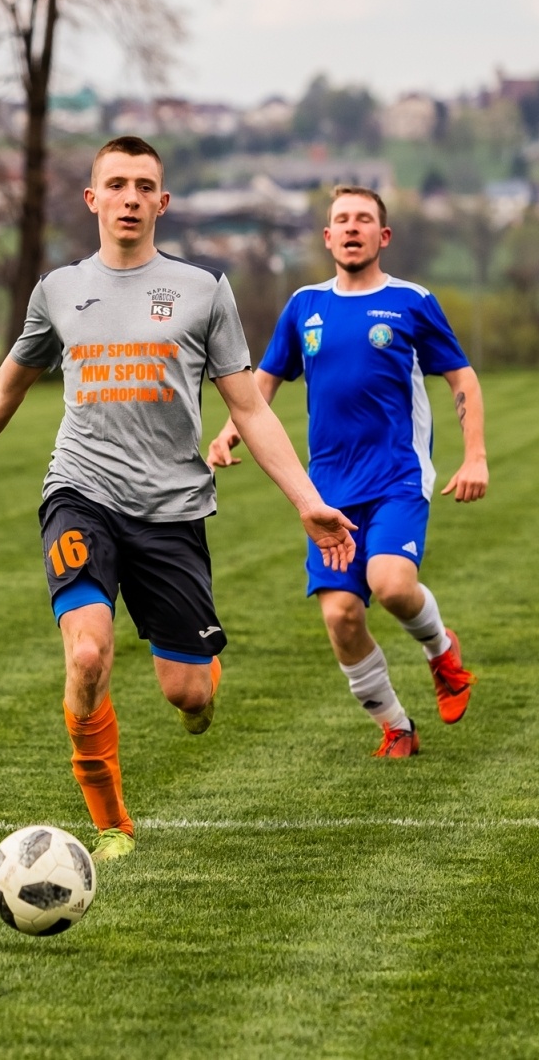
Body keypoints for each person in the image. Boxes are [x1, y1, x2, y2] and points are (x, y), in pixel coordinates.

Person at [0, 136, 356, 862]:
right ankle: (112, 824)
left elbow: (251, 408)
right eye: (116, 184)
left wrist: (306, 500)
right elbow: (7, 385)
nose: (131, 197)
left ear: (163, 203)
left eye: (145, 186)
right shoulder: (57, 290)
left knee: (190, 696)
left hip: (173, 511)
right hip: (79, 492)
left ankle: (198, 680)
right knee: (87, 653)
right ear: (93, 199)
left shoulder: (205, 291)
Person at [206, 185, 486, 759]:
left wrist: (475, 455)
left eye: (364, 219)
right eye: (341, 220)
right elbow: (264, 381)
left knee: (391, 584)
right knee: (340, 615)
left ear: (383, 236)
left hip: (396, 478)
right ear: (328, 236)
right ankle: (396, 726)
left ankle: (441, 653)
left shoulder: (412, 302)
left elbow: (462, 378)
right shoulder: (304, 305)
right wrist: (232, 428)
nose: (352, 227)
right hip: (326, 491)